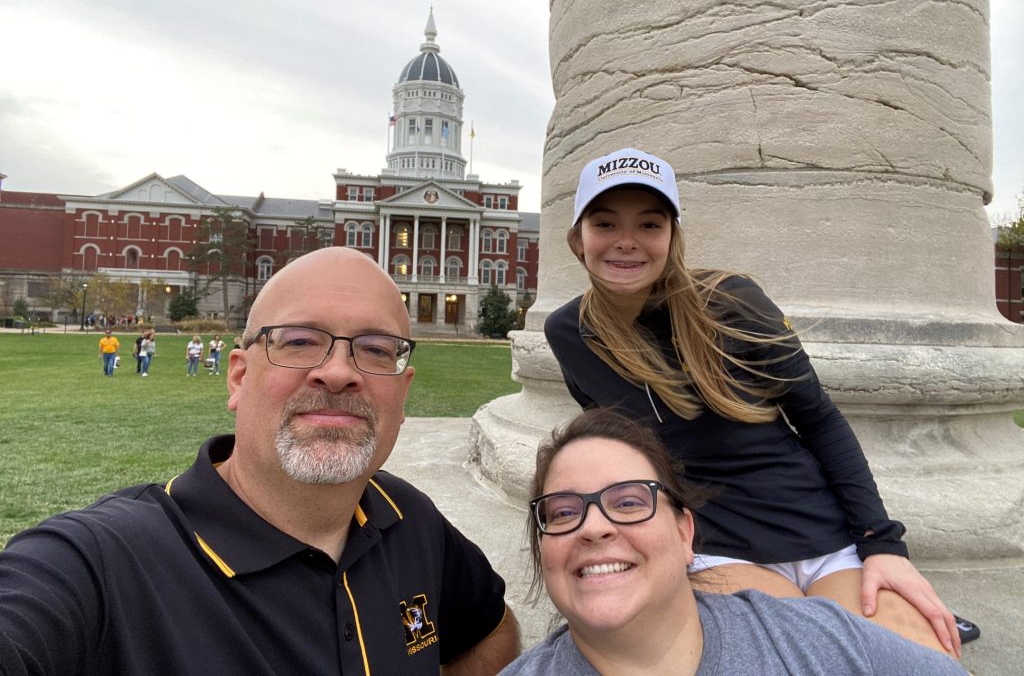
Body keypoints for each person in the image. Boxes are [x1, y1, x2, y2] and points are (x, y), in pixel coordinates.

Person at [0, 247, 519, 675]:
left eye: (377, 349)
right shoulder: (99, 564)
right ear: (239, 377)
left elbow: (493, 629)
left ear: (402, 395)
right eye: (298, 341)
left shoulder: (406, 518)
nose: (338, 372)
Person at [544, 148, 963, 655]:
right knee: (803, 657)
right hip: (717, 549)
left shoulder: (732, 300)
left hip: (821, 531)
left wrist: (883, 544)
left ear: (672, 236)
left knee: (922, 658)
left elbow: (820, 421)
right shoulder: (569, 332)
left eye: (650, 224)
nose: (627, 242)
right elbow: (623, 454)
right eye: (605, 223)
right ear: (577, 238)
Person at [500, 408, 966, 675]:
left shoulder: (818, 639)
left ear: (686, 535)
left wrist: (881, 541)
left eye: (628, 502)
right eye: (563, 512)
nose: (593, 526)